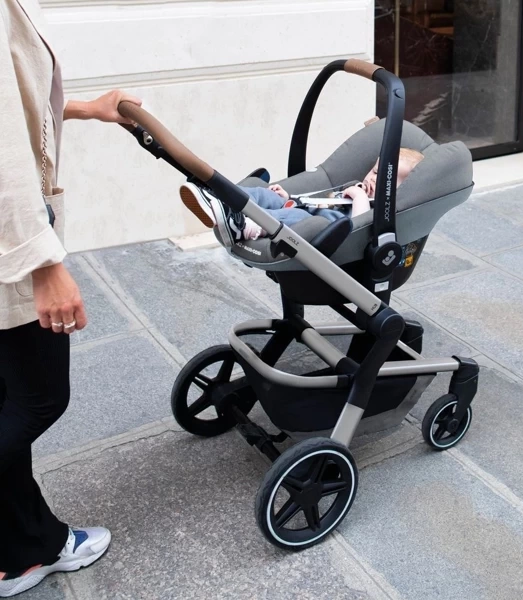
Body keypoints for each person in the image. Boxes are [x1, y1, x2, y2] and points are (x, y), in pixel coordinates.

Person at [0, 0, 142, 596]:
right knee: (40, 399)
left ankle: (25, 548)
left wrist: (85, 108)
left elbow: (15, 102)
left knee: (7, 397)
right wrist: (45, 264)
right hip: (12, 246)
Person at [180, 148, 424, 248]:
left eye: (385, 180)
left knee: (292, 216)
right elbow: (322, 198)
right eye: (375, 171)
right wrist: (291, 196)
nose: (374, 179)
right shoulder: (354, 186)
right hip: (303, 208)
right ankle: (219, 196)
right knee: (265, 194)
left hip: (319, 229)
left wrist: (360, 197)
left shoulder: (378, 209)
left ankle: (245, 225)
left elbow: (359, 228)